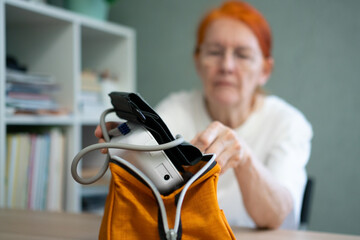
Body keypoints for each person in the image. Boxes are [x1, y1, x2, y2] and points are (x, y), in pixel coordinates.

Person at [95, 0, 313, 230]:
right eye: (214, 52)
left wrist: (245, 158)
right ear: (198, 62)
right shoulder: (176, 108)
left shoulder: (288, 123)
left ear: (265, 70)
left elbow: (279, 218)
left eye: (242, 55)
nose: (227, 66)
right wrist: (132, 148)